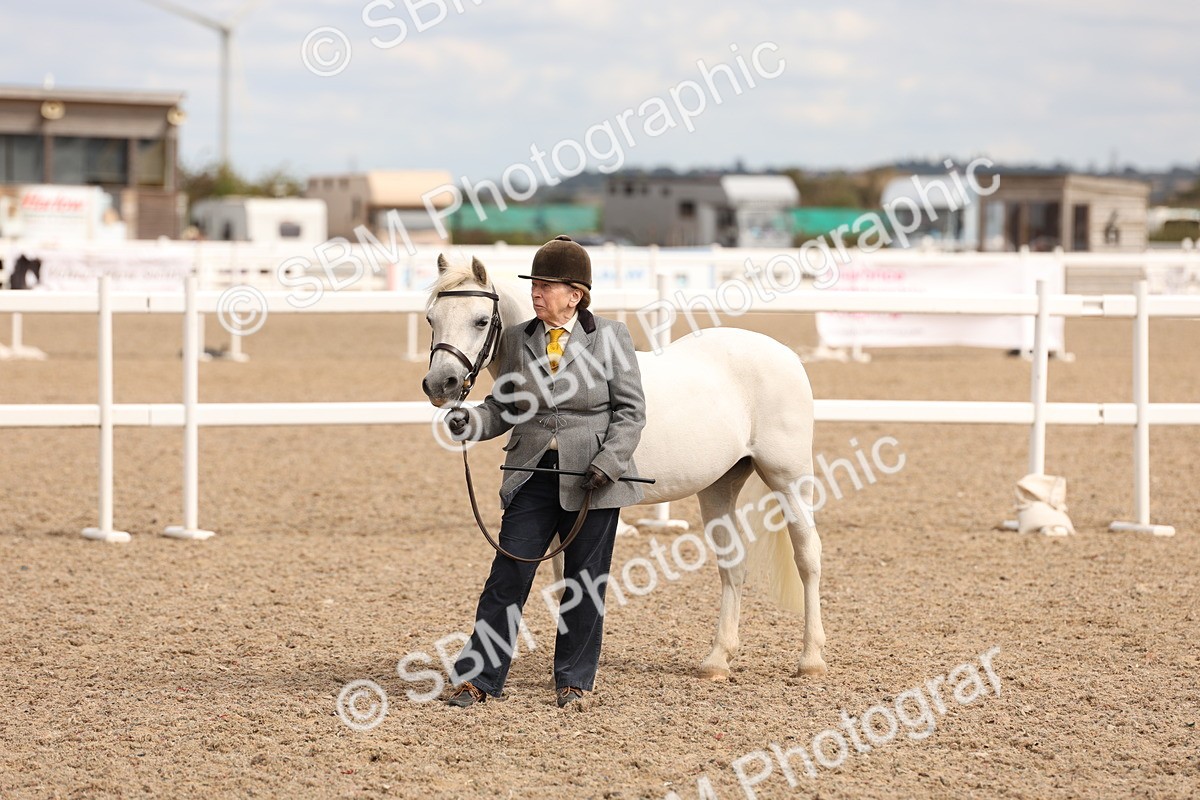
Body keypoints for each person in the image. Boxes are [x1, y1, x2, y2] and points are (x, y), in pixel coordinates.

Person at [444, 235, 646, 708]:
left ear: (575, 294)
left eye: (547, 285)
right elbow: (503, 406)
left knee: (584, 581)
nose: (536, 293)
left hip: (594, 479)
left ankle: (574, 679)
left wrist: (609, 463)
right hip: (531, 473)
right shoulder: (517, 340)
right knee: (507, 575)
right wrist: (472, 421)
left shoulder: (611, 337)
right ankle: (479, 678)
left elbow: (631, 412)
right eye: (534, 284)